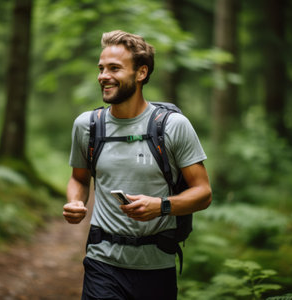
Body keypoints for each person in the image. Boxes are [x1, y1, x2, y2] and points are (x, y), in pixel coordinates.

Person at [63, 30, 212, 300]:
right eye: (101, 68)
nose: (103, 76)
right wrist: (76, 202)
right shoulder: (87, 125)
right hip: (101, 263)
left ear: (141, 73)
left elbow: (203, 193)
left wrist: (161, 206)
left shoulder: (172, 126)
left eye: (114, 68)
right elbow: (80, 179)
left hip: (157, 267)